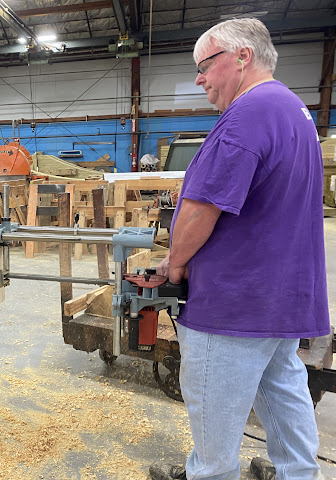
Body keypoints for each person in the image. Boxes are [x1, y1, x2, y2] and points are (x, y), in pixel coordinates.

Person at [149, 18, 329, 480]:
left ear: (241, 57)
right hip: (283, 293)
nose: (199, 79)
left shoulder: (246, 115)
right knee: (282, 387)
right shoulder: (295, 110)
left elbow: (198, 210)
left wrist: (174, 263)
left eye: (205, 66)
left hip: (235, 301)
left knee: (214, 408)